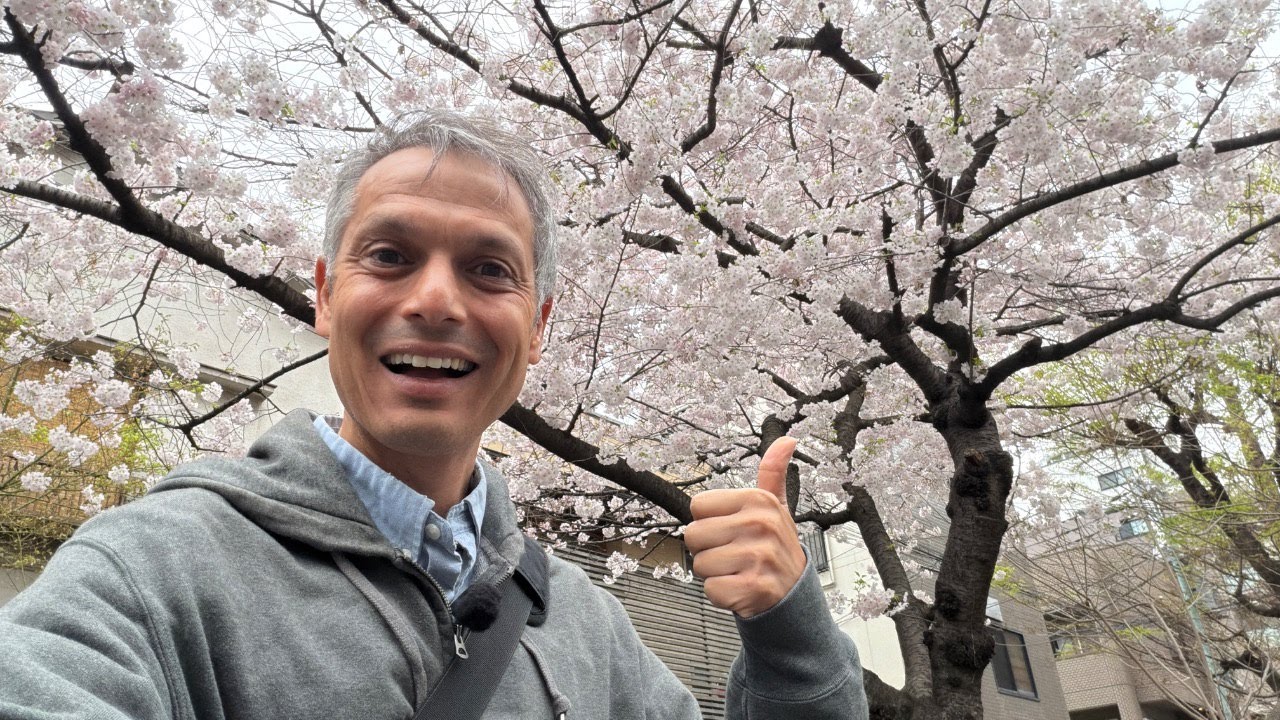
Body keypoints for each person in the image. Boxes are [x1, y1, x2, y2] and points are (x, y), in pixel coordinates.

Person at [0, 110, 868, 719]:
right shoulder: (154, 570)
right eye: (390, 255)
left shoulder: (586, 624)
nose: (437, 300)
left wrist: (791, 630)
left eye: (491, 270)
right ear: (327, 296)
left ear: (537, 325)